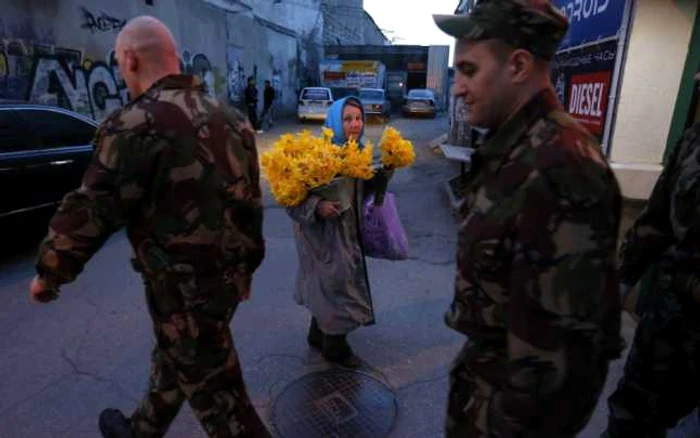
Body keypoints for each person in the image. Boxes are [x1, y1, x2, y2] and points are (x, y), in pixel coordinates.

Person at [28, 16, 270, 438]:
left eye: (121, 64)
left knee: (228, 409)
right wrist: (247, 268)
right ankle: (140, 431)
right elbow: (250, 201)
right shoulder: (233, 119)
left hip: (181, 293)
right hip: (225, 284)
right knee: (177, 359)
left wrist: (50, 273)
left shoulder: (135, 124)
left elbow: (92, 208)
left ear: (129, 59)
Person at [433, 1, 624, 436]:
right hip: (482, 395)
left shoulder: (561, 167)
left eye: (468, 70)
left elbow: (562, 364)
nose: (458, 88)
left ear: (517, 65)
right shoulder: (515, 148)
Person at [602, 73, 700, 437]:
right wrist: (618, 288)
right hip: (667, 331)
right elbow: (655, 223)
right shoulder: (693, 141)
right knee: (629, 422)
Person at [286, 96, 383, 369]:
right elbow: (290, 199)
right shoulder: (315, 156)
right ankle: (336, 349)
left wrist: (381, 177)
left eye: (358, 118)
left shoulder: (359, 153)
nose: (355, 124)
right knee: (336, 288)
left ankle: (317, 334)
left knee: (327, 288)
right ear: (334, 122)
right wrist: (318, 206)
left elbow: (361, 194)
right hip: (321, 237)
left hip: (348, 233)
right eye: (347, 118)